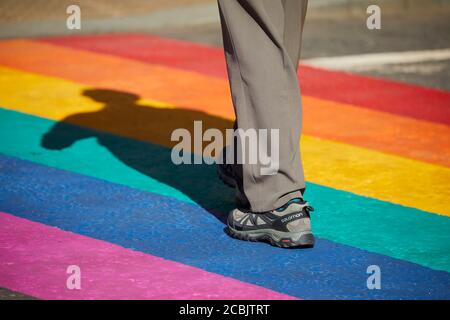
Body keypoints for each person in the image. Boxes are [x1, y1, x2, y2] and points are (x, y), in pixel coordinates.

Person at [217, 0, 314, 248]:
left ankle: (276, 199)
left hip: (276, 192)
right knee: (280, 23)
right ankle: (246, 158)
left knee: (255, 29)